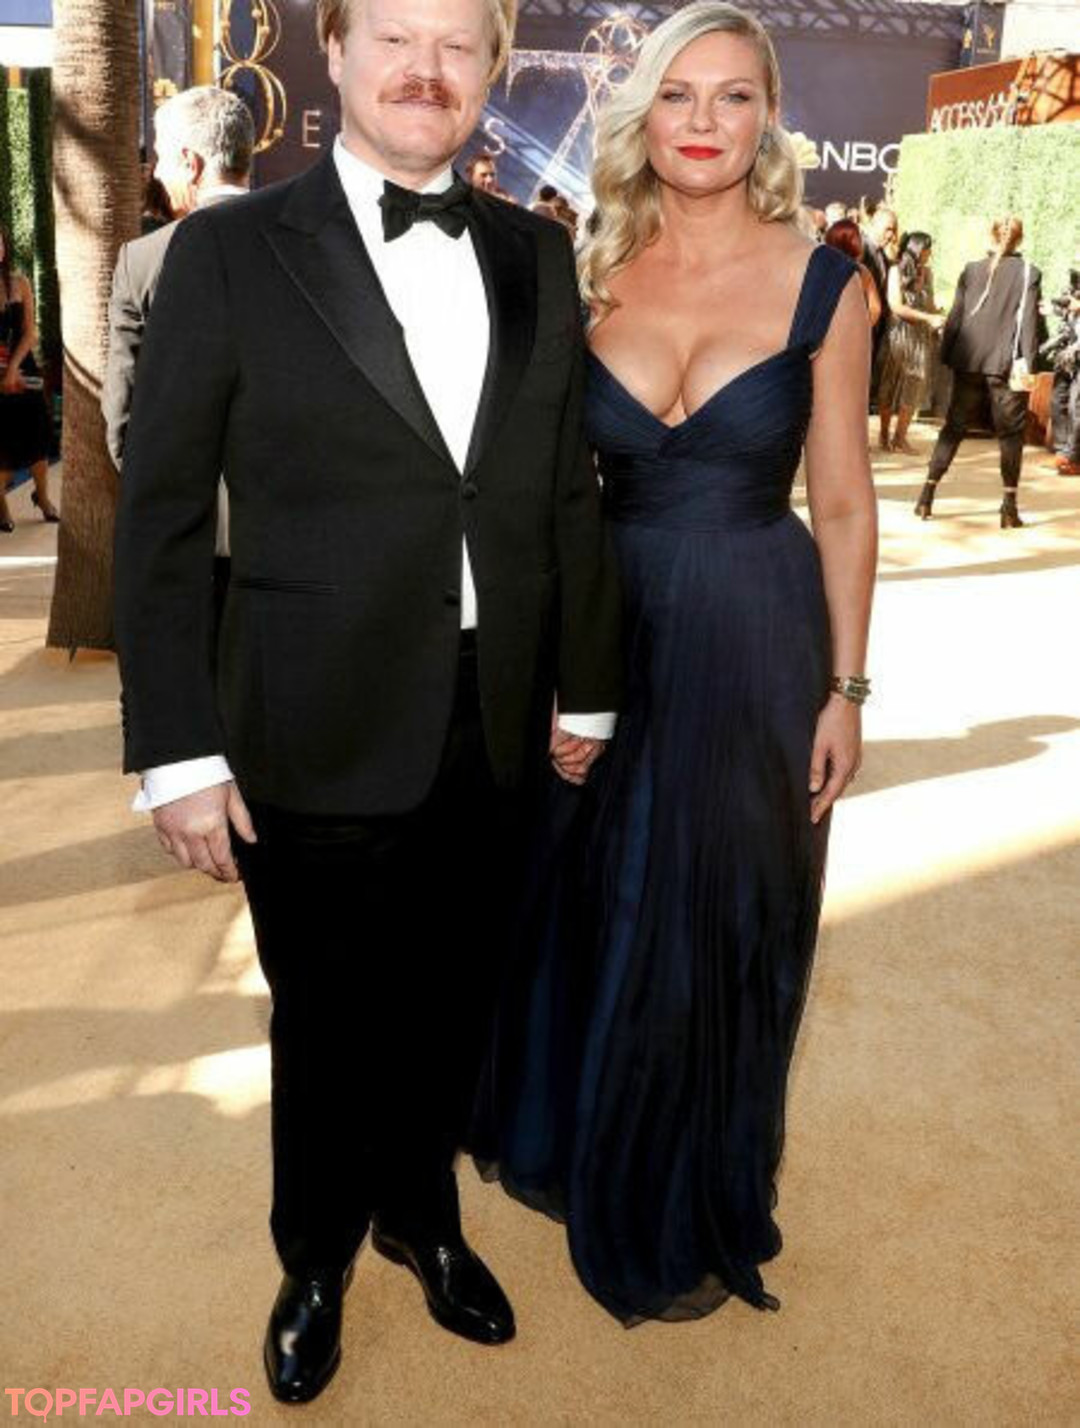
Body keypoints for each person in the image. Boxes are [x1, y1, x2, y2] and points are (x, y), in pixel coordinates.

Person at [113, 0, 621, 1405]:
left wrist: (591, 685)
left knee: (456, 996)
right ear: (332, 55)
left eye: (459, 46)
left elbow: (561, 490)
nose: (426, 71)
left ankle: (422, 1216)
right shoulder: (225, 253)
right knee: (327, 1014)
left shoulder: (537, 252)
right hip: (308, 708)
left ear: (492, 71)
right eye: (395, 37)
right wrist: (176, 752)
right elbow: (162, 519)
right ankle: (316, 1255)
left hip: (495, 706)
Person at [475, 0, 877, 1325]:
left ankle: (687, 1187)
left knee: (723, 910)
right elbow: (531, 489)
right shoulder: (587, 269)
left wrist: (847, 688)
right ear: (641, 114)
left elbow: (846, 502)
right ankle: (589, 1139)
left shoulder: (827, 284)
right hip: (604, 629)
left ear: (769, 118)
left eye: (733, 95)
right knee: (587, 894)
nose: (704, 121)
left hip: (759, 636)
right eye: (679, 94)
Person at [103, 84, 254, 611]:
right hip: (294, 540)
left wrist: (163, 503)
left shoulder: (142, 261)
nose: (157, 172)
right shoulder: (313, 249)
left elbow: (121, 415)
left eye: (162, 158)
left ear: (190, 163)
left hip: (185, 542)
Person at [916, 215, 1042, 527]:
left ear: (992, 235)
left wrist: (947, 355)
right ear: (1019, 239)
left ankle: (926, 496)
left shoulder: (971, 269)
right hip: (1004, 364)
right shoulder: (1029, 273)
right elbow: (1028, 323)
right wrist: (1029, 365)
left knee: (953, 428)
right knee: (1010, 435)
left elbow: (956, 316)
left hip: (968, 360)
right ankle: (1009, 508)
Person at [0, 219, 58, 532]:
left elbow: (30, 332)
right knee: (3, 442)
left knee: (38, 434)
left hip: (23, 367)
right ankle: (2, 505)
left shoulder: (19, 282)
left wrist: (13, 369)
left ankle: (43, 497)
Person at [876, 231, 944, 454]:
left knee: (914, 385)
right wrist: (928, 317)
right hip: (898, 335)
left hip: (920, 338)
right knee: (889, 384)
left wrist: (938, 313)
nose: (930, 253)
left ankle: (900, 437)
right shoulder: (895, 271)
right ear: (918, 249)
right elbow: (896, 306)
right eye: (927, 249)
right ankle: (884, 434)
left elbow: (929, 305)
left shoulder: (928, 273)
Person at [861, 201, 897, 385]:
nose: (891, 235)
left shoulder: (882, 254)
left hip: (874, 327)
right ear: (874, 225)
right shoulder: (862, 249)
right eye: (888, 229)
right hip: (861, 325)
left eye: (894, 230)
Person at [825, 217, 882, 329]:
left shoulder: (822, 269)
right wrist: (862, 329)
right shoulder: (861, 271)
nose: (862, 241)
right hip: (855, 331)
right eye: (858, 236)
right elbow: (875, 309)